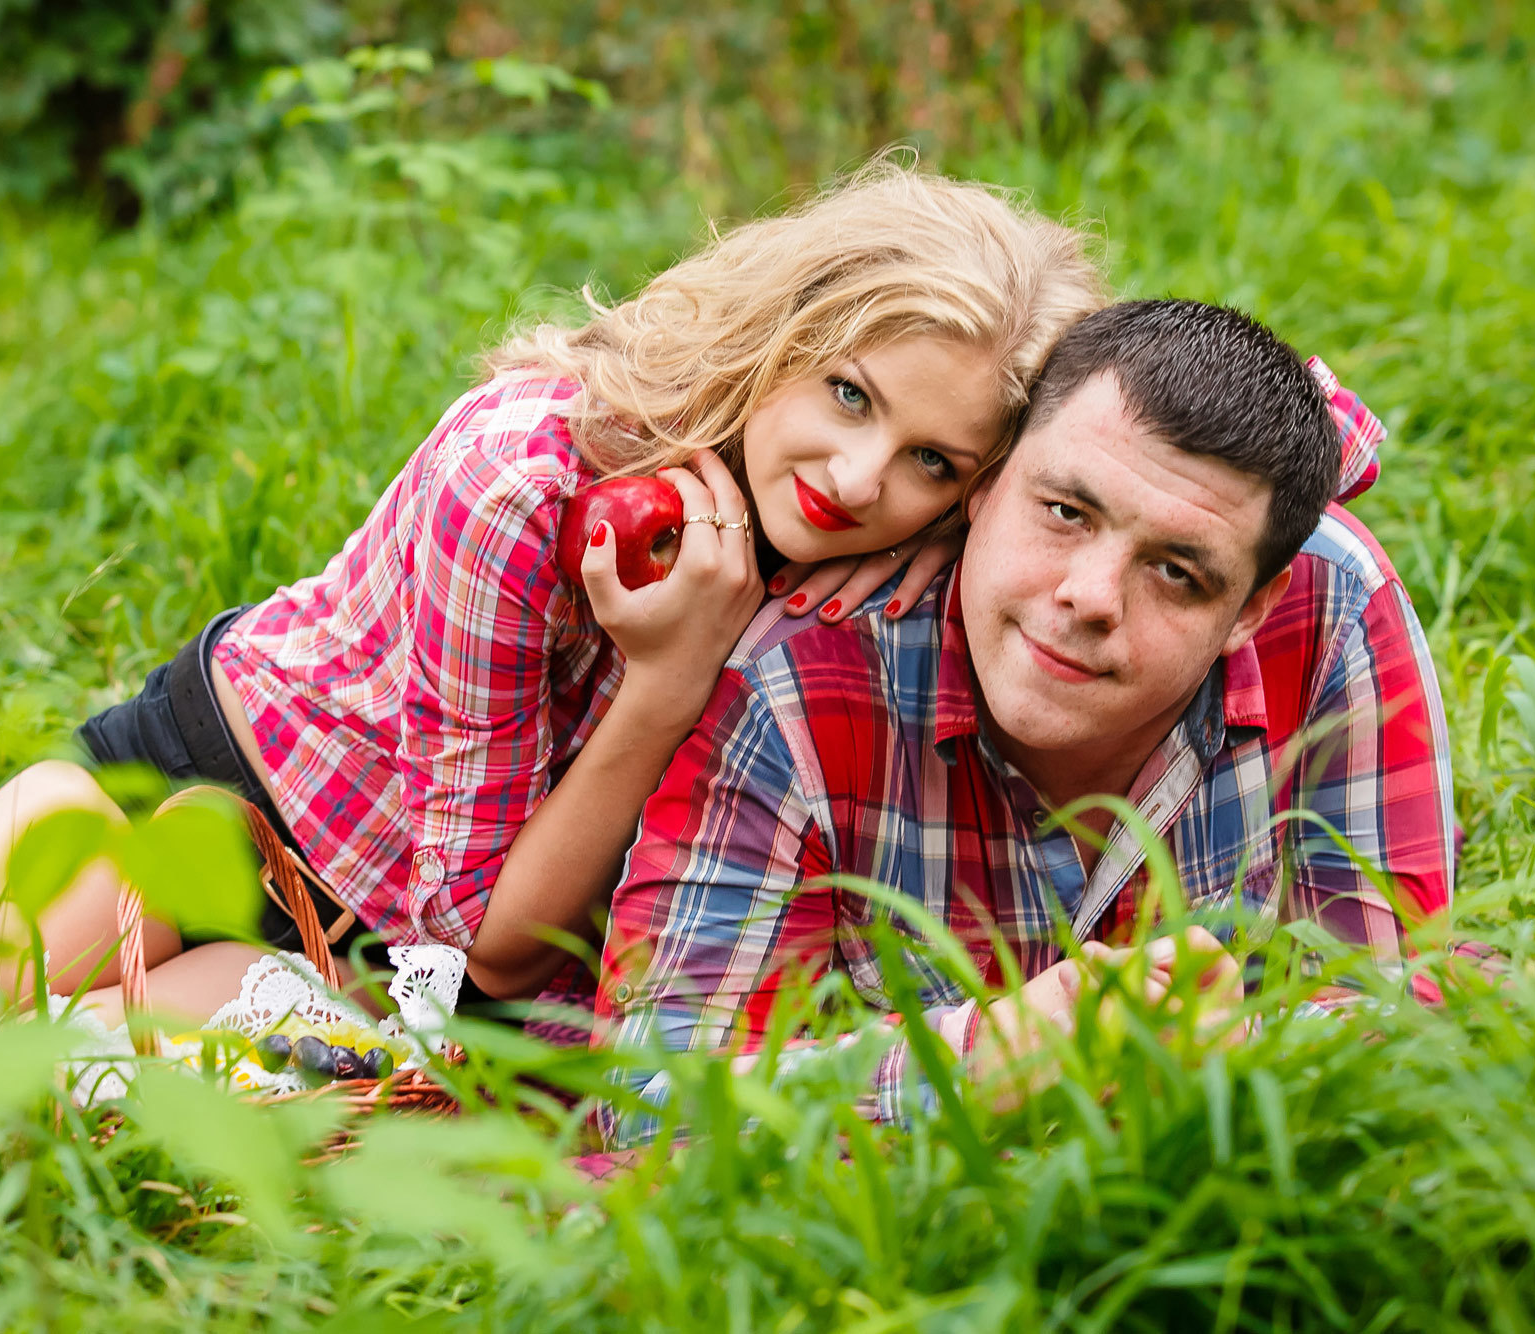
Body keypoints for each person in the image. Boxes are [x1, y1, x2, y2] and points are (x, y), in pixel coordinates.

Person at [0, 165, 1107, 1059]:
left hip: (401, 986)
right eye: (851, 395)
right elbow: (486, 925)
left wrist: (961, 553)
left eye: (936, 462)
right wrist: (670, 672)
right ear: (781, 333)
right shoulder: (526, 470)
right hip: (230, 800)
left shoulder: (892, 553)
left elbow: (480, 968)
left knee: (27, 1102)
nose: (861, 480)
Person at [593, 299, 1455, 1145]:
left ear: (1251, 608)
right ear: (985, 486)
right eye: (1065, 512)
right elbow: (648, 1097)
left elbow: (1399, 1012)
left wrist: (1223, 1061)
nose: (1090, 597)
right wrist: (986, 1057)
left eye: (1176, 572)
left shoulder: (1332, 607)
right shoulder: (808, 676)